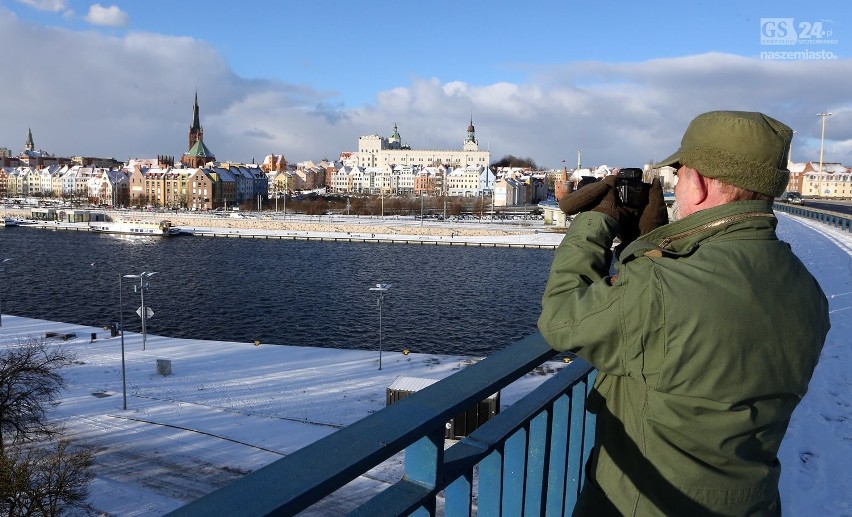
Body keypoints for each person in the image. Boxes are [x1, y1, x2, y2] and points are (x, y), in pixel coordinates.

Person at [537, 111, 830, 516]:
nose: (676, 190)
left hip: (645, 504)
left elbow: (561, 320)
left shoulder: (660, 288)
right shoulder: (806, 290)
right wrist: (651, 244)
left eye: (680, 177)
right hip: (751, 502)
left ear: (703, 182)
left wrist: (595, 223)